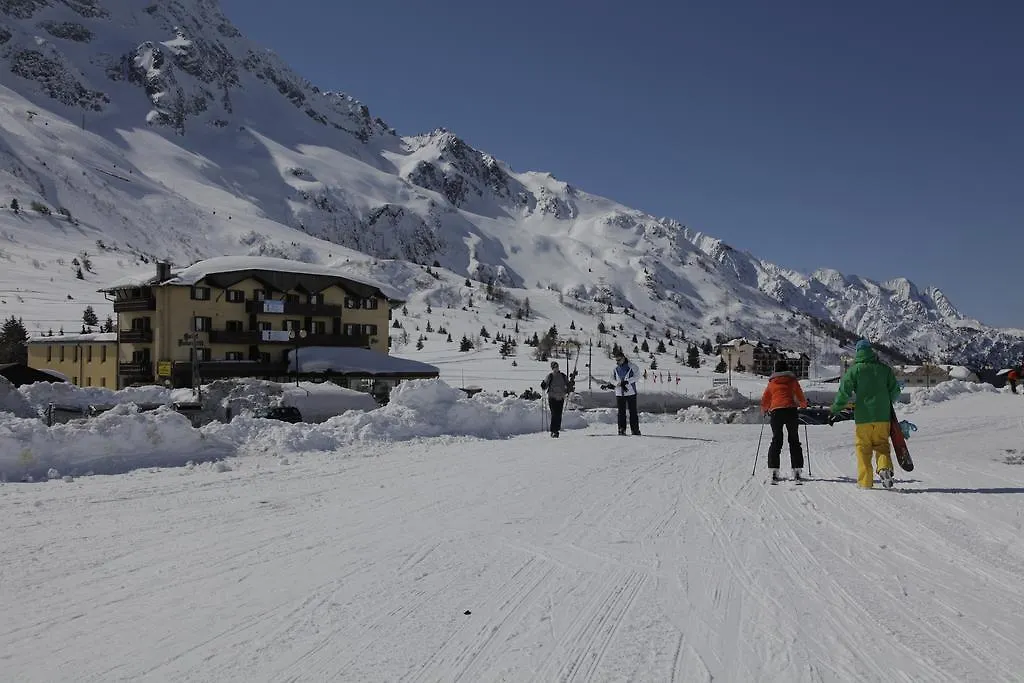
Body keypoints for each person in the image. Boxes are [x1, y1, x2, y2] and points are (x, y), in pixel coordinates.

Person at [829, 339, 902, 489]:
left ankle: (865, 482)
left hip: (863, 417)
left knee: (863, 448)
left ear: (857, 353)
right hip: (883, 416)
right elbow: (895, 391)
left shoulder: (854, 370)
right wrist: (887, 403)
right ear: (871, 351)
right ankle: (884, 468)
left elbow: (844, 393)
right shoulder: (884, 369)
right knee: (882, 446)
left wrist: (835, 409)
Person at [760, 359, 808, 483]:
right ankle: (797, 470)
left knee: (777, 440)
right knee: (794, 440)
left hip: (776, 412)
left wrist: (765, 409)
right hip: (791, 411)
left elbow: (765, 398)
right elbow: (800, 395)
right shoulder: (792, 381)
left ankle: (774, 470)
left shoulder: (772, 383)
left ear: (775, 370)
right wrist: (803, 405)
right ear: (787, 369)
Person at [608, 352, 641, 435]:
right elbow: (611, 379)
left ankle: (635, 429)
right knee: (621, 412)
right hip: (619, 393)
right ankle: (621, 429)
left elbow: (637, 376)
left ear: (623, 358)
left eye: (619, 360)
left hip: (631, 392)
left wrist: (627, 382)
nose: (617, 362)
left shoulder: (632, 366)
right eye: (616, 360)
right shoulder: (615, 368)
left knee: (633, 412)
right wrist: (617, 383)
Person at [540, 360, 573, 437]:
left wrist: (569, 386)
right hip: (552, 397)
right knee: (554, 414)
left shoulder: (563, 376)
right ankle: (553, 430)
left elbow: (568, 384)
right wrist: (543, 384)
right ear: (552, 368)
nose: (556, 368)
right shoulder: (550, 376)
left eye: (557, 366)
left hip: (561, 398)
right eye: (554, 367)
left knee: (559, 415)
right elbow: (545, 385)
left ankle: (557, 430)